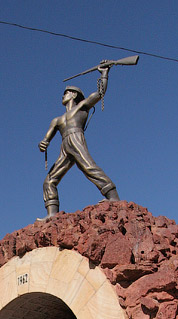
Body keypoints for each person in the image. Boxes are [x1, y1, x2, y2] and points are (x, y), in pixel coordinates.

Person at [39, 62, 119, 218]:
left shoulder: (81, 107)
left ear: (73, 94)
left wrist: (104, 73)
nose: (63, 96)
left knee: (88, 167)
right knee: (49, 181)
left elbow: (99, 93)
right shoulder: (57, 120)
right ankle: (52, 215)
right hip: (64, 145)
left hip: (76, 138)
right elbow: (46, 138)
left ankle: (113, 196)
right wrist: (44, 143)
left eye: (66, 93)